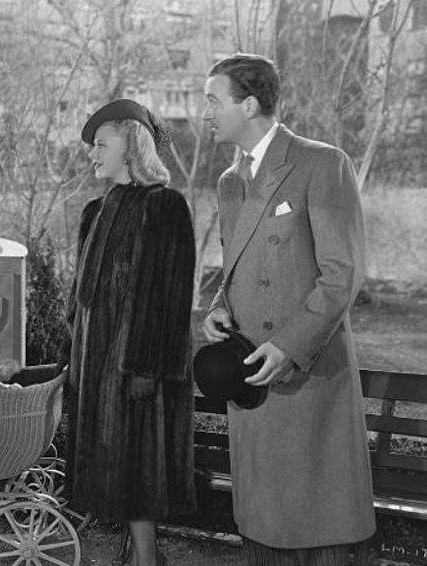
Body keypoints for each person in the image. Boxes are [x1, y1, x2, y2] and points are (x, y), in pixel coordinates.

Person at [201, 53, 375, 565]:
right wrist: (218, 305)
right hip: (252, 380)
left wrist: (290, 345)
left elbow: (342, 273)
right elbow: (239, 263)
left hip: (307, 376)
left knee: (320, 531)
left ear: (249, 104)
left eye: (213, 100)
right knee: (263, 531)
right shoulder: (229, 182)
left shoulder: (321, 163)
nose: (204, 113)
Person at [63, 99, 197, 566]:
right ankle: (140, 555)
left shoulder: (164, 206)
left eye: (102, 144)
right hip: (96, 371)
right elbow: (81, 300)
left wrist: (146, 368)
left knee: (140, 469)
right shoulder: (96, 211)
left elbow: (171, 298)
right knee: (115, 473)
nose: (93, 154)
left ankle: (146, 558)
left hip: (139, 372)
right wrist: (74, 357)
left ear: (131, 145)